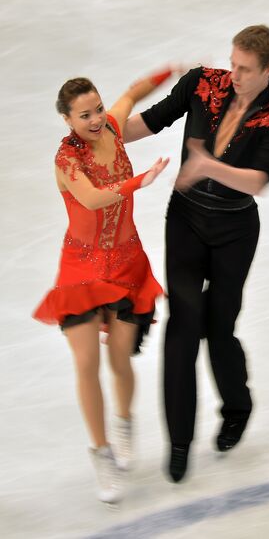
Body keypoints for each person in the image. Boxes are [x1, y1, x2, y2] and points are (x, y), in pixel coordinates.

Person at [123, 25, 269, 482]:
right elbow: (152, 119)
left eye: (245, 69)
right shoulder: (202, 83)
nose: (234, 73)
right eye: (233, 63)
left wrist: (206, 165)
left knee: (219, 328)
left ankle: (237, 406)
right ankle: (180, 442)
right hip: (186, 222)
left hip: (235, 230)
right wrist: (104, 133)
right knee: (182, 323)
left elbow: (257, 180)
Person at [33, 68, 175, 503]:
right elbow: (93, 198)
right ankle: (101, 453)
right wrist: (139, 181)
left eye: (97, 109)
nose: (95, 120)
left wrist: (170, 72)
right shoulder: (67, 160)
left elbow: (133, 92)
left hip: (127, 263)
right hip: (82, 268)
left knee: (119, 359)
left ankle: (124, 422)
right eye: (83, 115)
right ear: (66, 120)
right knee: (85, 364)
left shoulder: (112, 125)